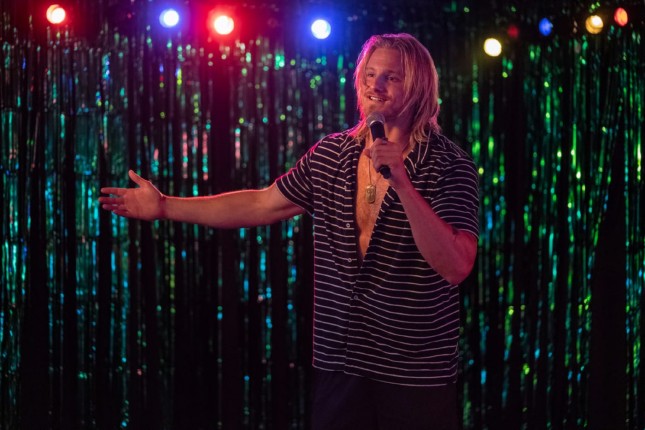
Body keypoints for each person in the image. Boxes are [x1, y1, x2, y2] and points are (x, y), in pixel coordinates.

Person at [100, 33, 479, 430]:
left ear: (418, 86)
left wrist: (402, 183)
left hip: (414, 371)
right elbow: (262, 204)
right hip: (341, 362)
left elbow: (456, 265)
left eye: (391, 77)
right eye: (370, 74)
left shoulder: (448, 165)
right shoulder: (332, 155)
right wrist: (165, 206)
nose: (375, 85)